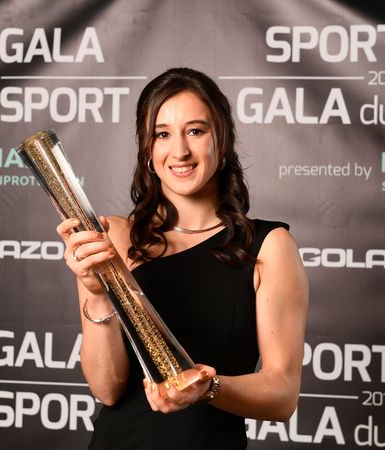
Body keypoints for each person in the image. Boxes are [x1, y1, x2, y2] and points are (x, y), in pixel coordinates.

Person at [56, 67, 308, 449]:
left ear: (222, 141)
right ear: (148, 150)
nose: (180, 151)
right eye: (162, 134)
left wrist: (208, 387)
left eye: (195, 131)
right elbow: (107, 389)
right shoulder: (114, 238)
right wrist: (97, 294)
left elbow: (283, 395)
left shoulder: (267, 246)